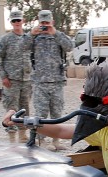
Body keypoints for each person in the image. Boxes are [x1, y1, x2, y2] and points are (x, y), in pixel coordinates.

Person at [29, 10, 74, 151]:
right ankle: (41, 142)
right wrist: (31, 34)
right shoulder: (34, 37)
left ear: (52, 22)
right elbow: (21, 47)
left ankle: (56, 141)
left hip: (57, 82)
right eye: (42, 23)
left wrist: (55, 33)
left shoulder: (58, 36)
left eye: (47, 23)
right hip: (40, 83)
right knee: (41, 114)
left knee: (57, 113)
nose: (44, 25)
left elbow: (70, 46)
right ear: (38, 22)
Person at [0, 10, 33, 134]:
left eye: (18, 20)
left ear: (23, 21)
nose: (16, 23)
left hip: (26, 80)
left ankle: (23, 134)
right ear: (11, 22)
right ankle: (11, 134)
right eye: (14, 21)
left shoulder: (28, 39)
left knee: (25, 109)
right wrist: (3, 76)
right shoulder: (5, 39)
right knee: (11, 107)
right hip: (11, 80)